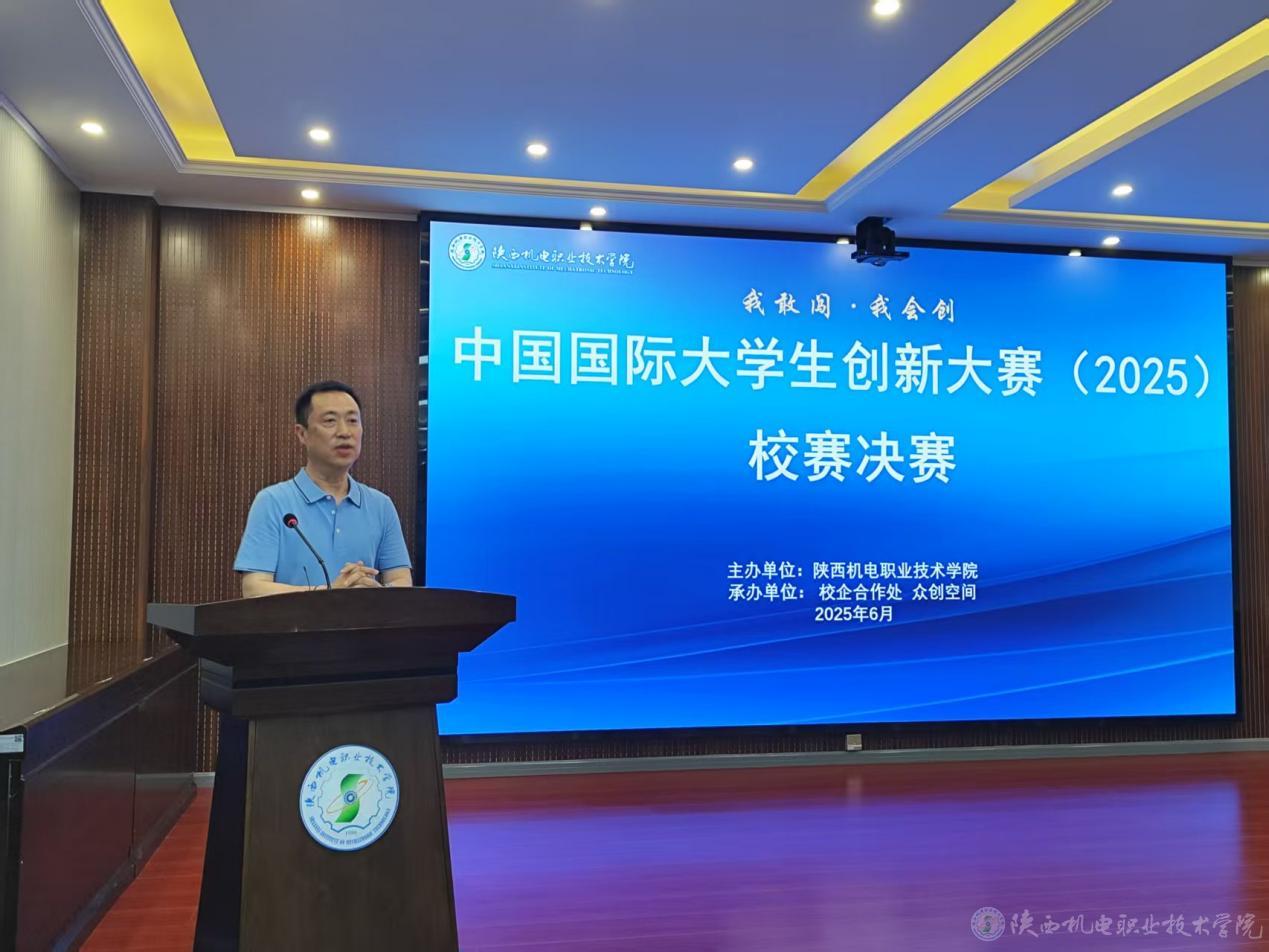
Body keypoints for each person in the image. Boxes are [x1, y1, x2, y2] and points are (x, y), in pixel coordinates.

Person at [233, 380, 412, 597]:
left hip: (364, 620)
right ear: (302, 434)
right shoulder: (273, 502)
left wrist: (373, 594)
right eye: (330, 421)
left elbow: (401, 580)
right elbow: (254, 589)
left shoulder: (380, 505)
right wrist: (329, 593)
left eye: (352, 421)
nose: (344, 432)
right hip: (294, 621)